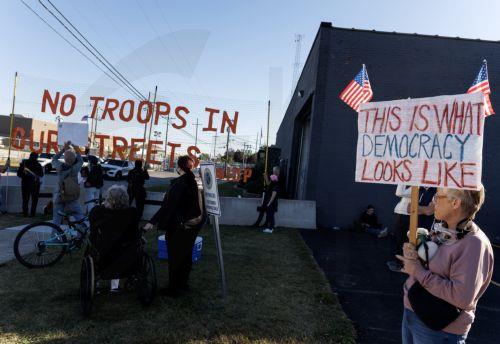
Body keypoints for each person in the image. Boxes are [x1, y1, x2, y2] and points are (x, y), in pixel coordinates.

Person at [397, 186, 493, 343]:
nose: (433, 202)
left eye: (438, 197)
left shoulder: (473, 244)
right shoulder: (444, 229)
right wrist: (415, 255)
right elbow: (430, 265)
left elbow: (461, 297)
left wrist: (417, 270)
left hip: (439, 329)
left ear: (455, 203)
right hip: (414, 311)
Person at [144, 155, 205, 297]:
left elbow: (168, 206)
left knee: (175, 258)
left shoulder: (180, 183)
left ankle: (174, 289)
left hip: (179, 226)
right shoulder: (192, 182)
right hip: (191, 226)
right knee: (185, 257)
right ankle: (183, 285)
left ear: (179, 168)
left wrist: (151, 222)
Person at [89, 185, 139, 292]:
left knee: (94, 250)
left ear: (110, 199)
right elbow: (134, 233)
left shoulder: (99, 212)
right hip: (125, 250)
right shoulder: (132, 213)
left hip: (104, 250)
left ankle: (96, 282)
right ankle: (114, 287)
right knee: (118, 251)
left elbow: (93, 232)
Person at [388, 186, 436, 273]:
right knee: (412, 249)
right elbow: (409, 209)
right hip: (415, 226)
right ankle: (409, 269)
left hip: (427, 228)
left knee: (424, 252)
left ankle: (422, 274)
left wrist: (417, 208)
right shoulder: (419, 189)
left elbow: (429, 211)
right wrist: (422, 209)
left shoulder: (435, 191)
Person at [52, 141, 84, 225]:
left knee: (56, 220)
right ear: (74, 160)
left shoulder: (59, 167)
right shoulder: (75, 168)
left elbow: (54, 159)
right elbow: (81, 161)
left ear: (65, 159)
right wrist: (76, 149)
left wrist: (63, 149)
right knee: (80, 216)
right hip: (71, 196)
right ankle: (80, 235)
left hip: (59, 195)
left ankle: (55, 237)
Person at [387, 185, 412, 272]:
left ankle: (402, 264)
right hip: (401, 214)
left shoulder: (417, 187)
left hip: (407, 216)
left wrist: (402, 178)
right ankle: (397, 261)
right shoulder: (410, 186)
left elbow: (399, 193)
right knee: (397, 238)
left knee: (403, 240)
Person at [17, 152, 44, 217]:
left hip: (26, 184)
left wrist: (25, 175)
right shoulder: (38, 165)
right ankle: (32, 214)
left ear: (30, 156)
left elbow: (19, 174)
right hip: (35, 184)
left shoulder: (24, 163)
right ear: (36, 157)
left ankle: (25, 213)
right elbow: (41, 174)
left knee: (25, 199)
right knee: (34, 200)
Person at [262, 169, 280, 234]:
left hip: (272, 202)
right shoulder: (273, 183)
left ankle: (270, 228)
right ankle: (269, 227)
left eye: (271, 178)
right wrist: (266, 177)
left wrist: (269, 203)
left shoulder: (275, 185)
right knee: (269, 215)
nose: (271, 179)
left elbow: (274, 195)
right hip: (270, 202)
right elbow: (268, 183)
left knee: (270, 215)